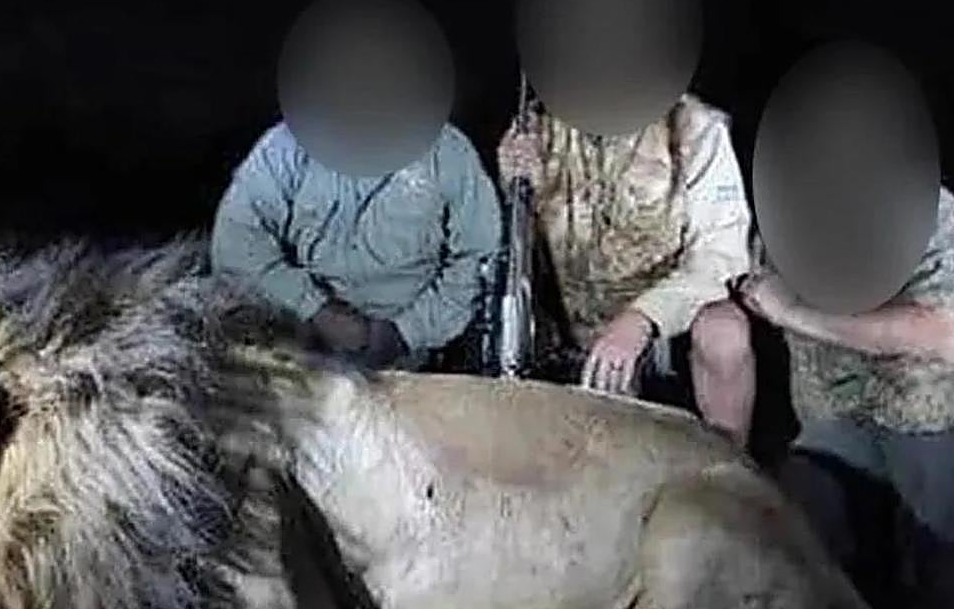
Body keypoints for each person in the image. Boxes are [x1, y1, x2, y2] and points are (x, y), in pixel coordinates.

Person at [738, 186, 954, 609]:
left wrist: (794, 312)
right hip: (828, 414)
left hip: (925, 416)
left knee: (937, 567)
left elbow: (939, 332)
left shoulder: (927, 207)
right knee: (791, 545)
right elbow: (751, 285)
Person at [497, 92, 756, 448]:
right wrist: (513, 185)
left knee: (724, 330)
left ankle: (727, 466)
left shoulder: (697, 126)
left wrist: (642, 318)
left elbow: (719, 254)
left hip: (666, 331)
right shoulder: (536, 125)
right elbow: (517, 255)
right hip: (568, 331)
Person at [210, 120, 502, 370]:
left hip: (409, 357)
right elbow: (236, 243)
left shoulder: (448, 151)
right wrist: (314, 309)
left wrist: (406, 333)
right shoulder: (284, 146)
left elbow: (479, 257)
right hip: (295, 343)